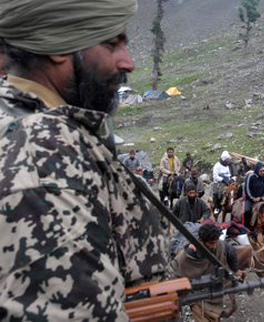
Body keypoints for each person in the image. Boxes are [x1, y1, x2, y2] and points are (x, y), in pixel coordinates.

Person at [0, 0, 172, 319]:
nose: (128, 62)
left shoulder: (25, 122)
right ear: (59, 47)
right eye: (111, 43)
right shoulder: (43, 147)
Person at [172, 223, 245, 322]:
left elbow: (230, 251)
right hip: (197, 296)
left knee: (215, 316)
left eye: (215, 242)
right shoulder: (186, 257)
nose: (214, 246)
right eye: (211, 243)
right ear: (202, 241)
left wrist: (236, 270)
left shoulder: (220, 245)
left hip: (215, 292)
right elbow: (175, 274)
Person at [244, 162, 264, 229]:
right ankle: (246, 228)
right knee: (247, 211)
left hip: (261, 198)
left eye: (263, 171)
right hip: (251, 198)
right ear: (257, 171)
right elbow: (247, 188)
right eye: (260, 171)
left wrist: (263, 196)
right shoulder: (251, 177)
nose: (262, 172)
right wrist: (252, 198)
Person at [212, 151, 234, 215]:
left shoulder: (229, 166)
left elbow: (231, 174)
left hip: (228, 182)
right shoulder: (217, 165)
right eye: (227, 159)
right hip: (218, 183)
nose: (229, 160)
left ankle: (231, 206)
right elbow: (215, 176)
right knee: (216, 193)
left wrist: (232, 179)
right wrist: (222, 180)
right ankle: (217, 207)